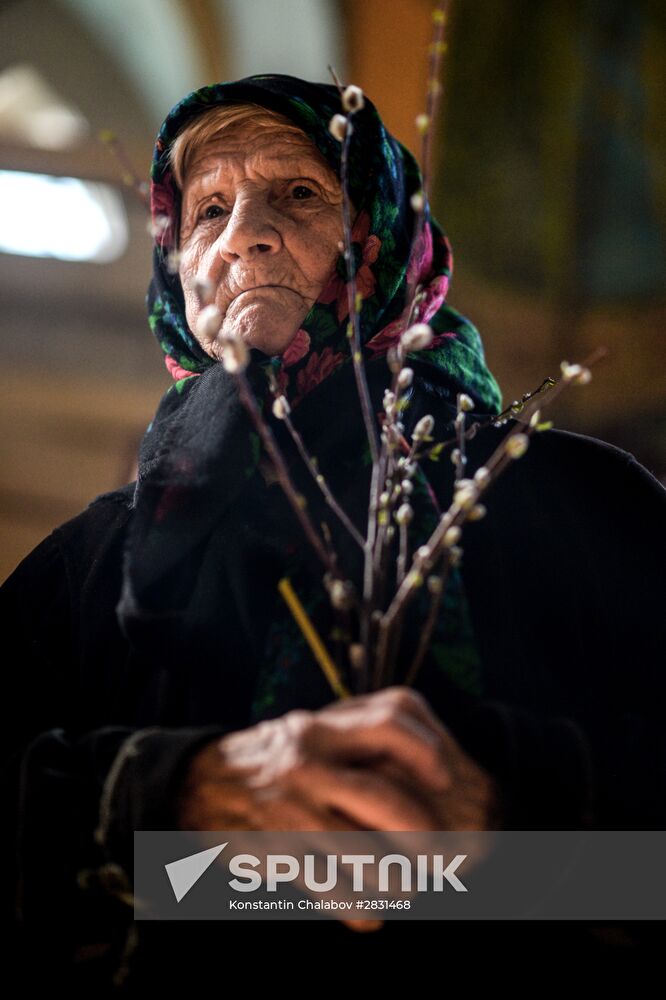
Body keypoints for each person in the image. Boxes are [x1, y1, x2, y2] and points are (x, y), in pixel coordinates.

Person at [2, 73, 665, 990]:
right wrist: (176, 796)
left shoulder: (573, 503)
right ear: (175, 267)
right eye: (208, 212)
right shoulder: (88, 566)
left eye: (300, 194)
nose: (244, 236)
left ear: (385, 235)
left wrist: (515, 818)